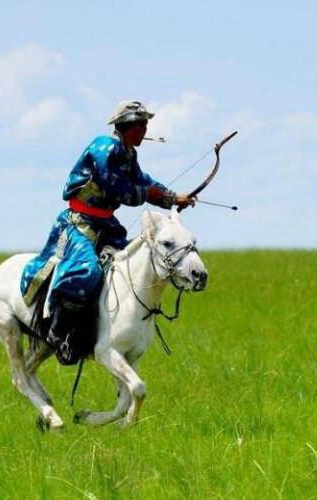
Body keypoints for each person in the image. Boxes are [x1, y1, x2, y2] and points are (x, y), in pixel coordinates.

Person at [20, 100, 195, 365]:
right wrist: (150, 194)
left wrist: (172, 198)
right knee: (86, 271)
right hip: (79, 223)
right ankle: (58, 333)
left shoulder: (128, 153)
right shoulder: (107, 148)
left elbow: (142, 180)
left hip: (106, 224)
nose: (145, 130)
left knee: (131, 266)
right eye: (141, 125)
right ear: (128, 126)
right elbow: (118, 190)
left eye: (146, 124)